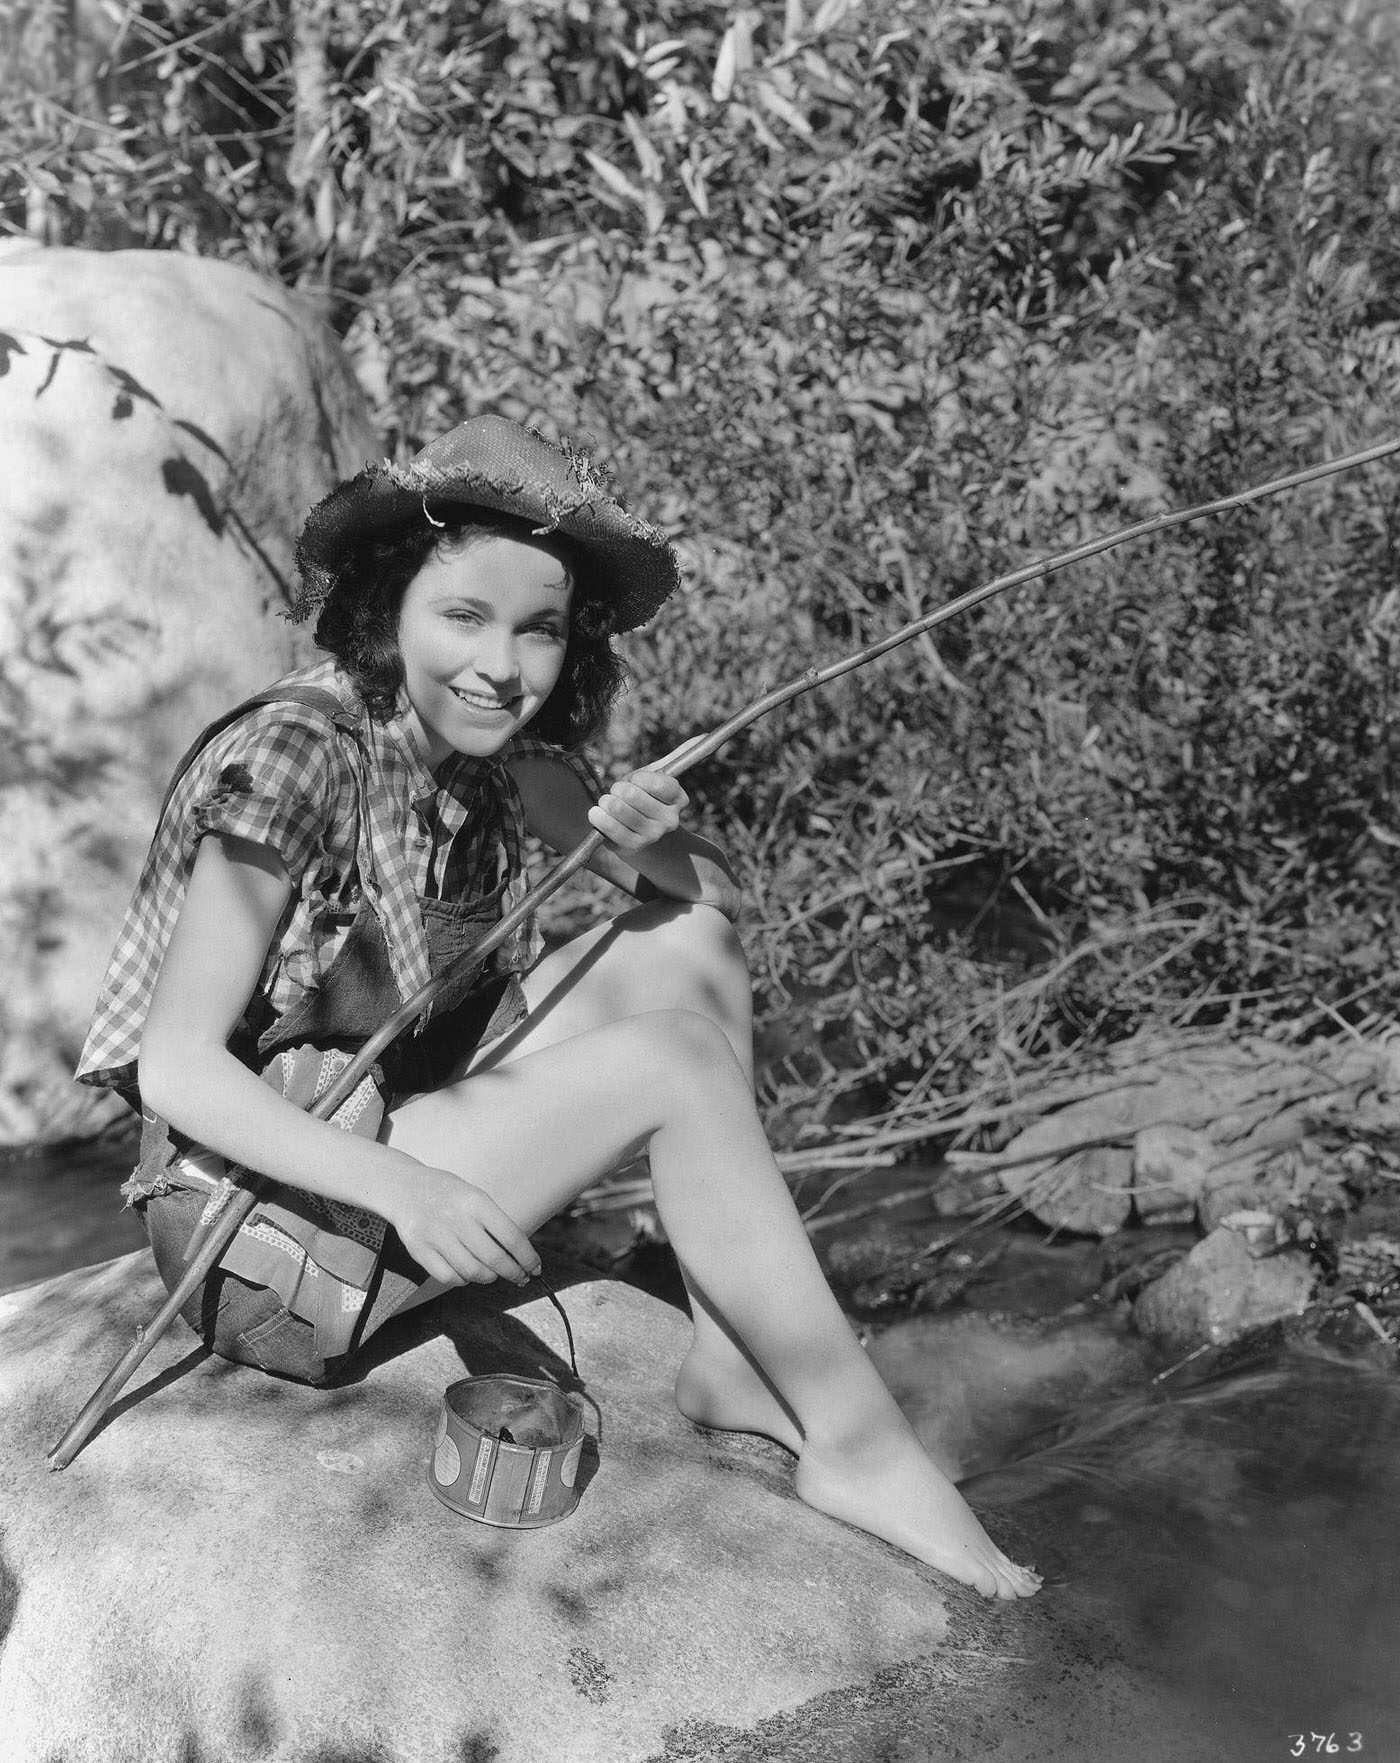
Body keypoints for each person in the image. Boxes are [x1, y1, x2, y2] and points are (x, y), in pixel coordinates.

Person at [77, 415, 1040, 1601]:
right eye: (462, 615)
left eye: (537, 629)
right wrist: (405, 1187)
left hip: (388, 1124)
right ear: (386, 606)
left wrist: (642, 840)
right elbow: (176, 1067)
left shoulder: (498, 757)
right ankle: (860, 1448)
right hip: (262, 1226)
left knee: (684, 946)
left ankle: (735, 1357)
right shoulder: (298, 753)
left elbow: (708, 910)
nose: (501, 664)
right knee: (674, 1062)